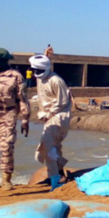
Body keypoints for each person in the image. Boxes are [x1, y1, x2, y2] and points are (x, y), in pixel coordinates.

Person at [0, 48, 30, 191]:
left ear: (4, 60)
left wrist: (25, 119)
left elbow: (22, 99)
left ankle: (6, 179)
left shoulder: (15, 76)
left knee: (6, 148)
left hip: (7, 119)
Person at [29, 55, 71, 190]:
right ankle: (58, 174)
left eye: (39, 71)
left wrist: (49, 114)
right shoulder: (40, 79)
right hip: (48, 116)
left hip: (58, 116)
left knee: (47, 146)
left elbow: (62, 102)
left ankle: (55, 176)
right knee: (54, 146)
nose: (36, 73)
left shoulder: (56, 81)